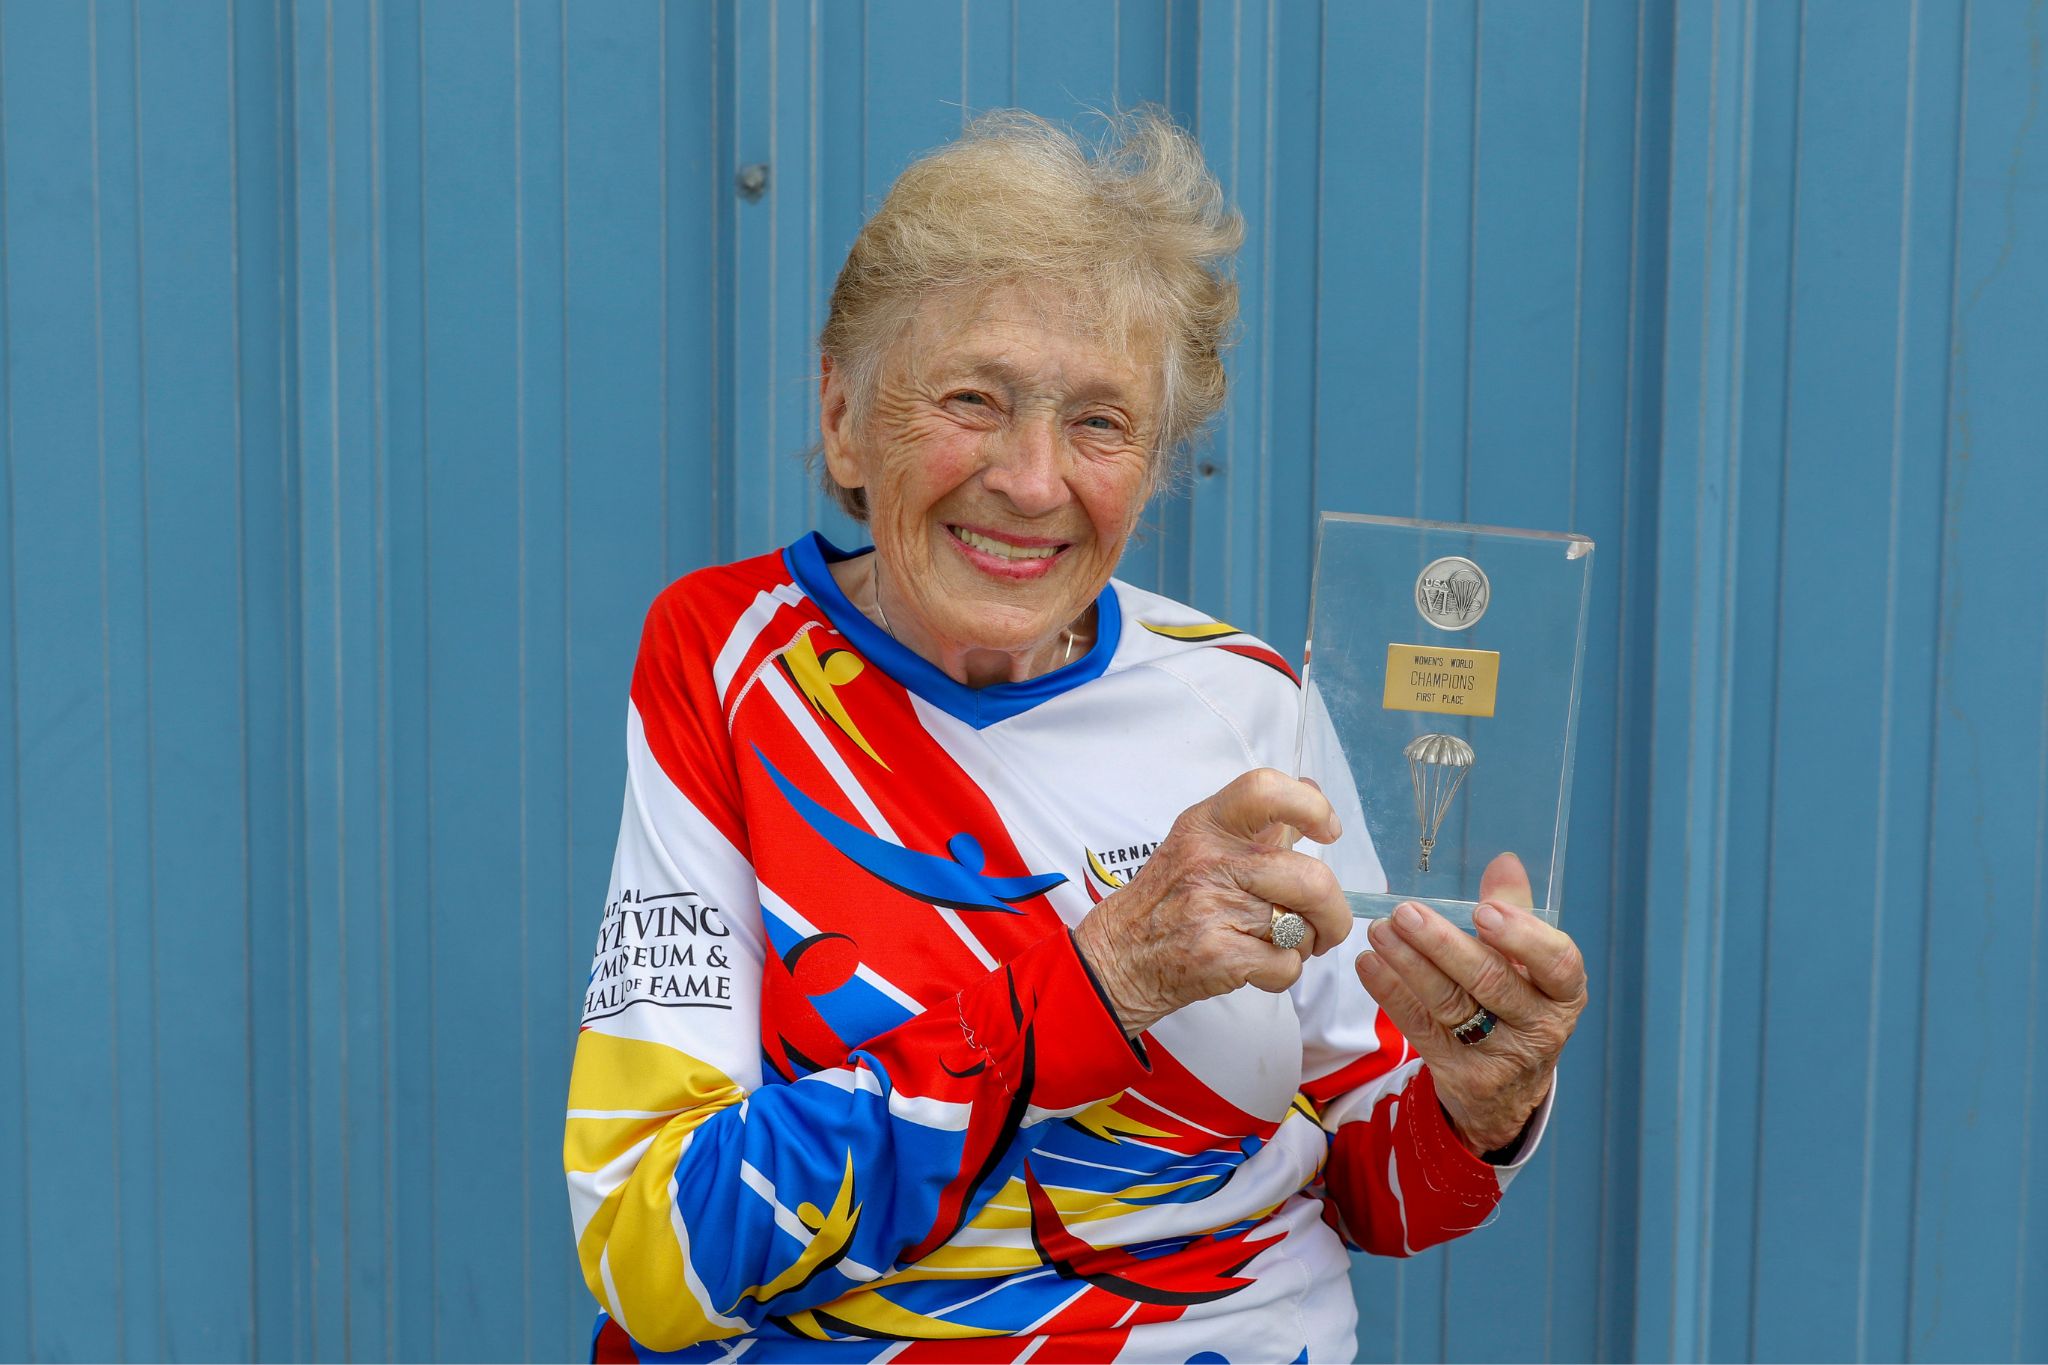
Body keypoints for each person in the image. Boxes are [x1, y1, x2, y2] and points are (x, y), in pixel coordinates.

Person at [563, 109, 1586, 1364]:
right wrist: (1096, 986)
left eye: (1100, 423)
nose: (1034, 479)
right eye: (972, 400)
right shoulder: (734, 665)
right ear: (840, 417)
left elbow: (1374, 1189)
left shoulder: (1244, 697)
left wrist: (1481, 1099)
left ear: (1150, 469)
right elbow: (651, 1247)